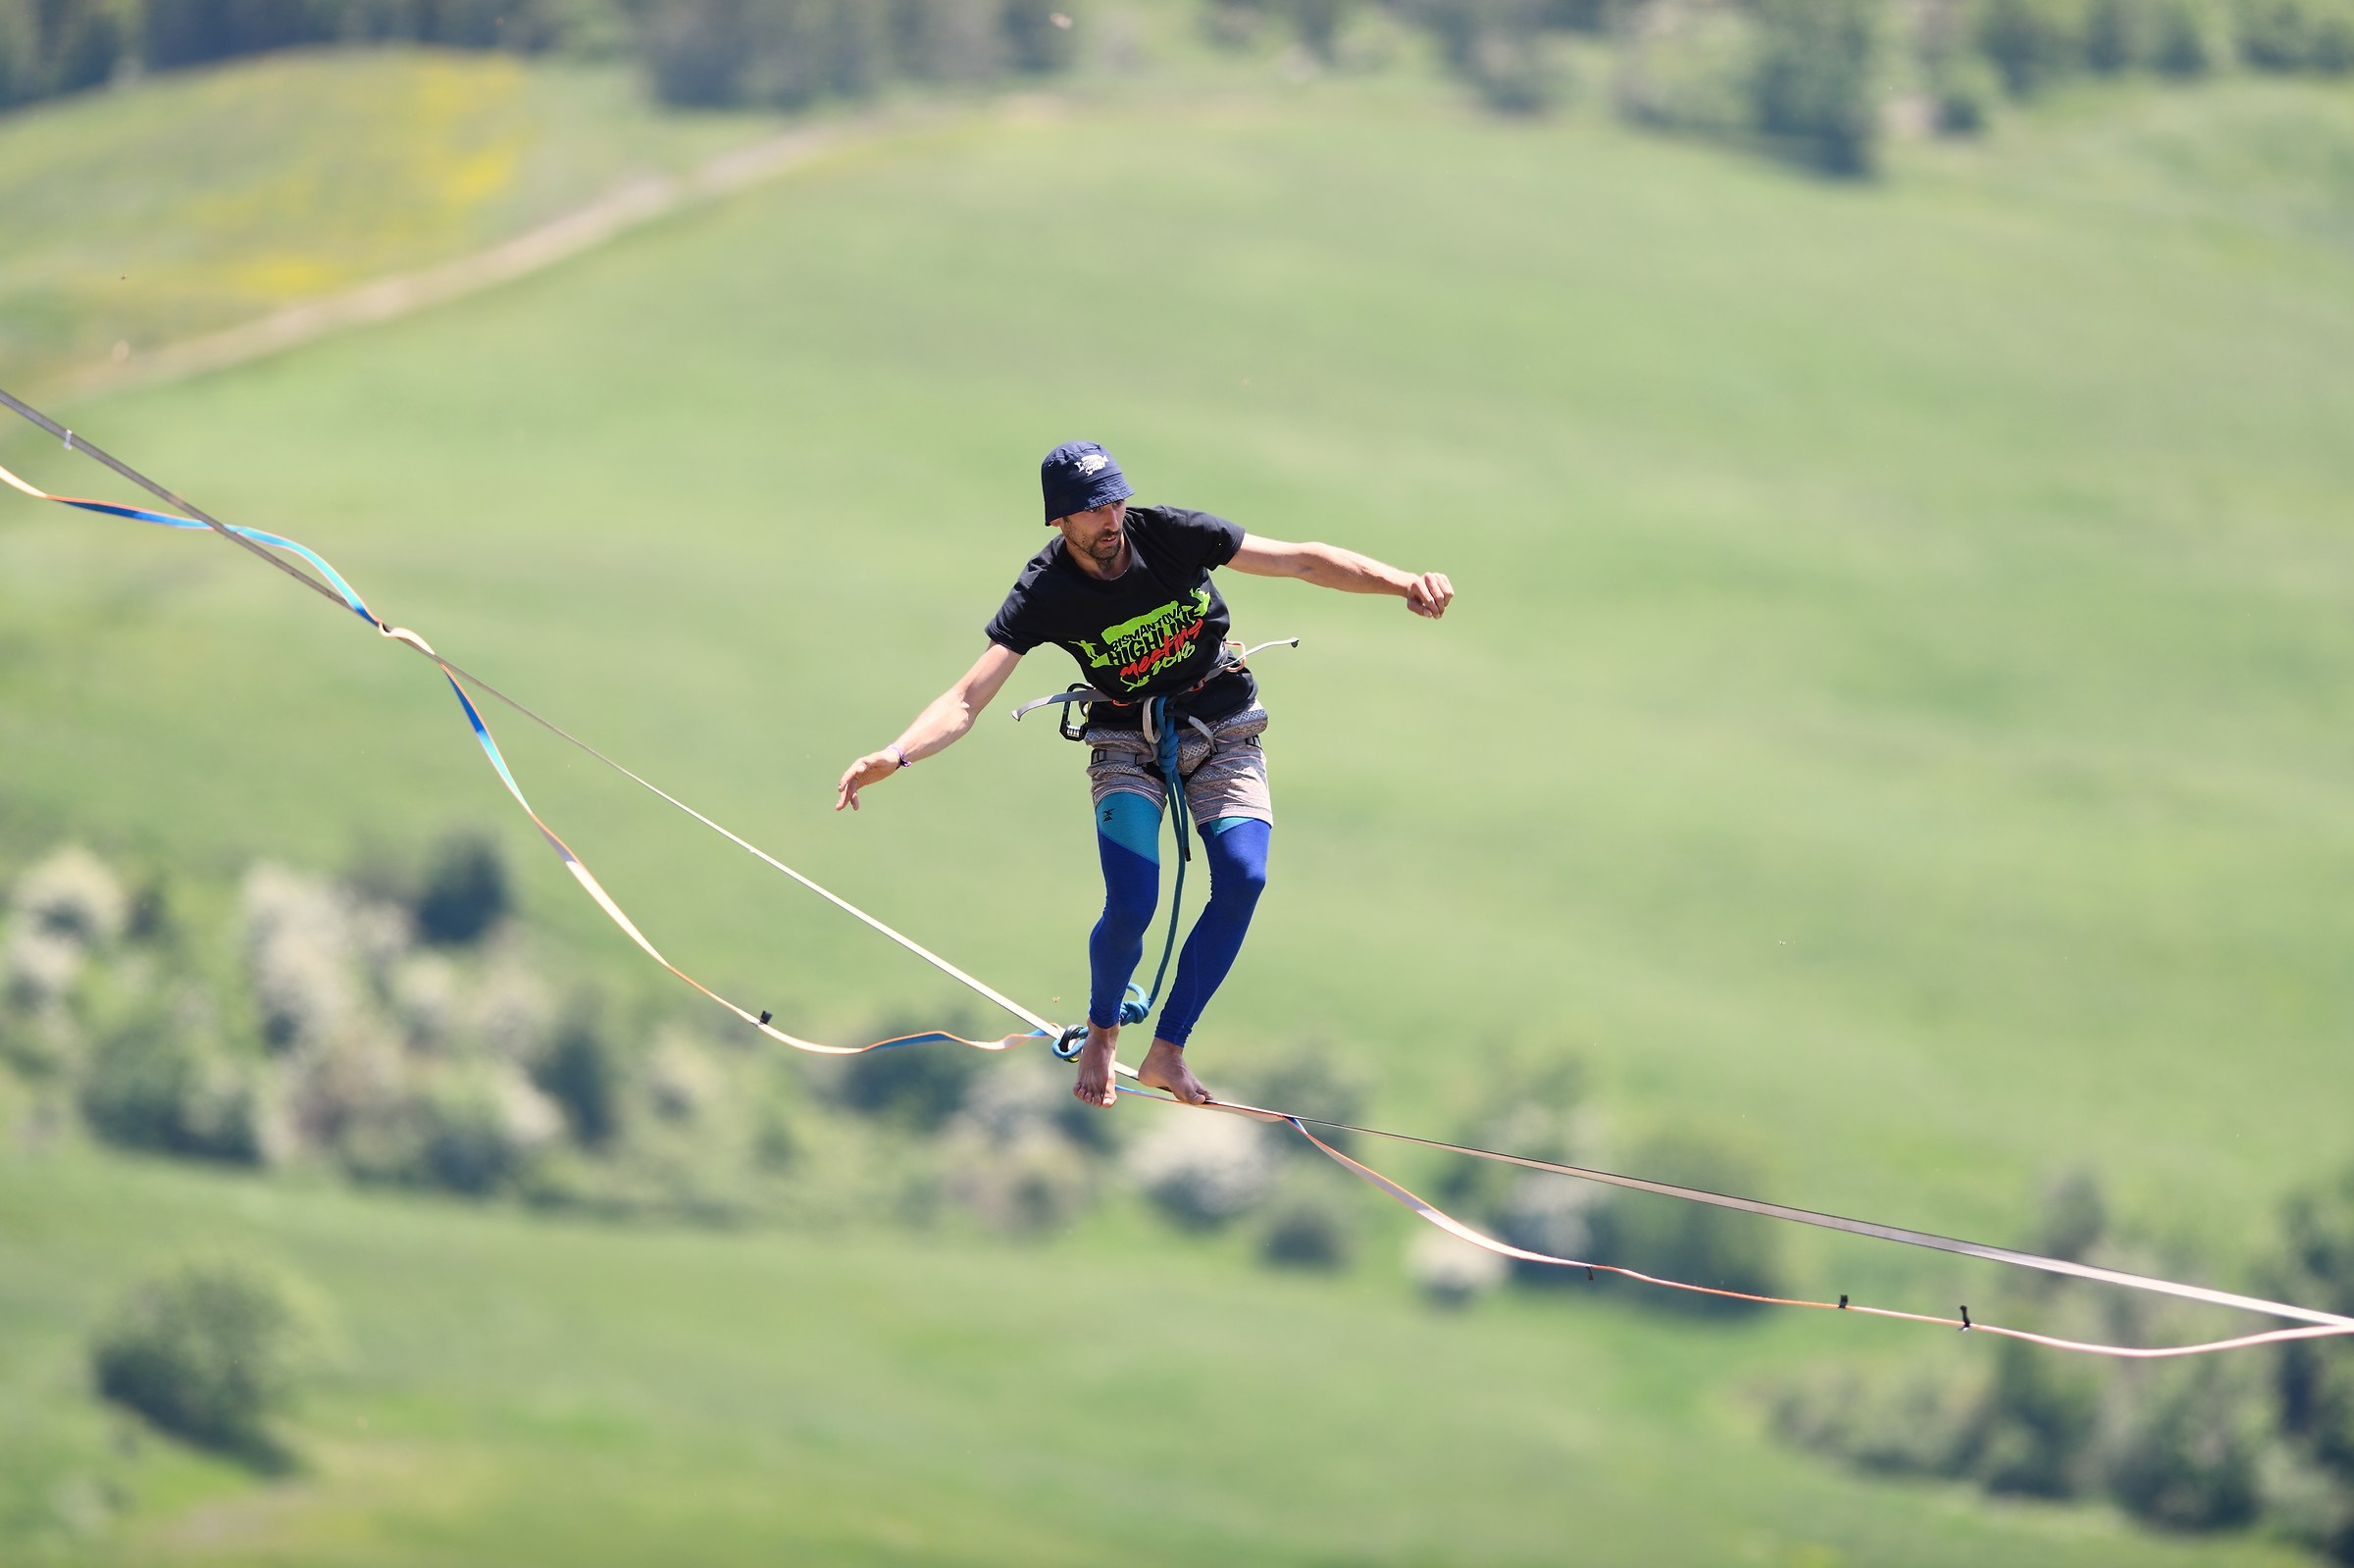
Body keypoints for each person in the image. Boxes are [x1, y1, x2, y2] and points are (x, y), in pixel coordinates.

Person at [836, 441, 1453, 1109]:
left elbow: (1300, 559)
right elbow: (966, 698)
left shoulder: (1170, 534)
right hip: (1126, 738)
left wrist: (1401, 581)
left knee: (1244, 876)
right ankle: (1104, 1032)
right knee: (1133, 903)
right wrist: (895, 754)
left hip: (1224, 724)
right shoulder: (1044, 590)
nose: (1110, 518)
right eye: (1091, 509)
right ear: (1059, 522)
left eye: (1115, 500)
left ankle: (1168, 1051)